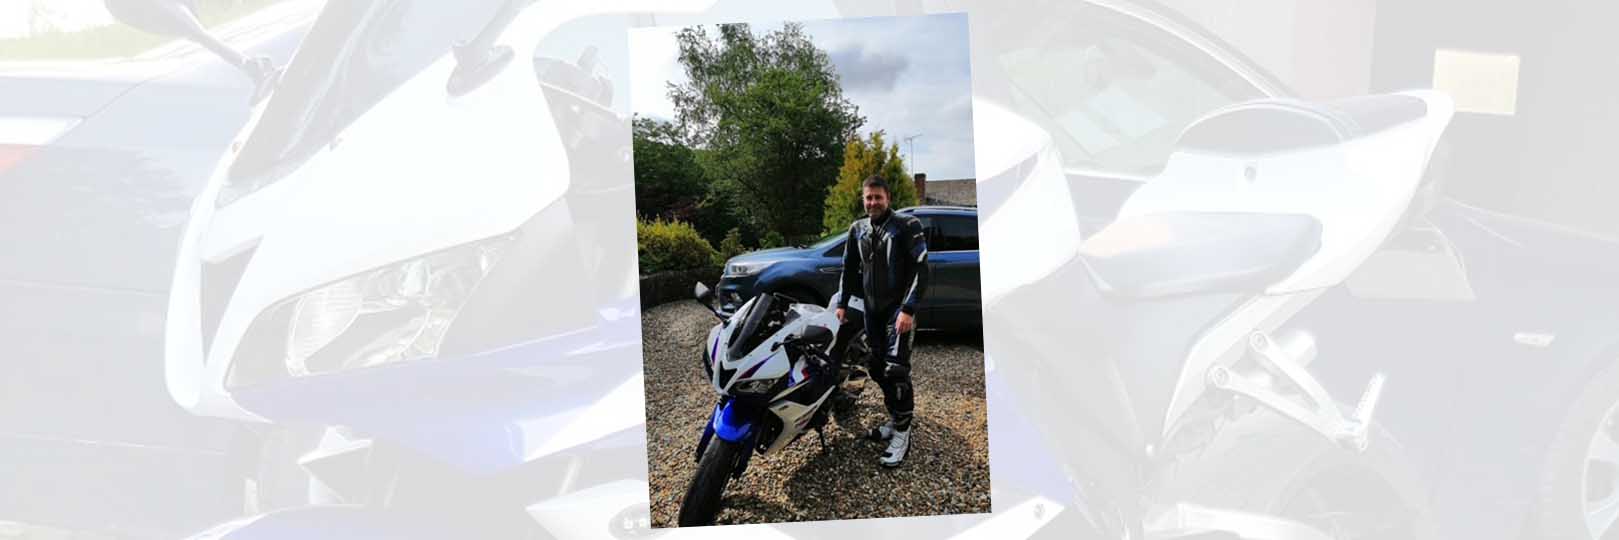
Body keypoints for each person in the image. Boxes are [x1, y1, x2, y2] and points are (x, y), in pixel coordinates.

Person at [835, 175, 927, 468]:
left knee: (896, 369)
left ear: (888, 198)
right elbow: (849, 268)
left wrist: (908, 309)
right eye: (868, 198)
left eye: (878, 197)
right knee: (876, 367)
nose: (873, 202)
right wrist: (842, 303)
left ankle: (903, 433)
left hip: (897, 311)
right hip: (871, 313)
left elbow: (921, 269)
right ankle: (895, 418)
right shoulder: (857, 229)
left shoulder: (906, 226)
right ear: (863, 200)